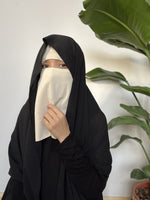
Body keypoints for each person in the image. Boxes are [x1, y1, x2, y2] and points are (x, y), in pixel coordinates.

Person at [2, 34, 112, 200]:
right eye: (45, 66)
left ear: (76, 70)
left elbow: (94, 187)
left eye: (62, 65)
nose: (52, 74)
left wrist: (65, 138)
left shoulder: (93, 120)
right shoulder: (28, 115)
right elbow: (18, 177)